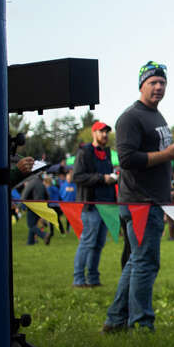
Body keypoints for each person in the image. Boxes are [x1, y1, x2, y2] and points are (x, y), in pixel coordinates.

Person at [102, 62, 174, 333]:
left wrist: (168, 189)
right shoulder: (130, 118)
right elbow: (126, 159)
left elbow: (157, 161)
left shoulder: (157, 116)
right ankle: (141, 323)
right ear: (141, 85)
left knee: (137, 261)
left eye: (162, 82)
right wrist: (167, 155)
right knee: (145, 262)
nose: (159, 87)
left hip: (153, 198)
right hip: (139, 202)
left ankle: (116, 321)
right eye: (153, 82)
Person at [71, 121, 119, 286]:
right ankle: (78, 279)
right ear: (94, 133)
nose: (104, 135)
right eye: (101, 132)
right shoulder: (84, 152)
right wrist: (102, 178)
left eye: (106, 132)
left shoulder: (107, 153)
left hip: (107, 205)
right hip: (90, 205)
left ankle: (93, 279)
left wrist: (113, 178)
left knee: (98, 243)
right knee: (87, 242)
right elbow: (77, 177)